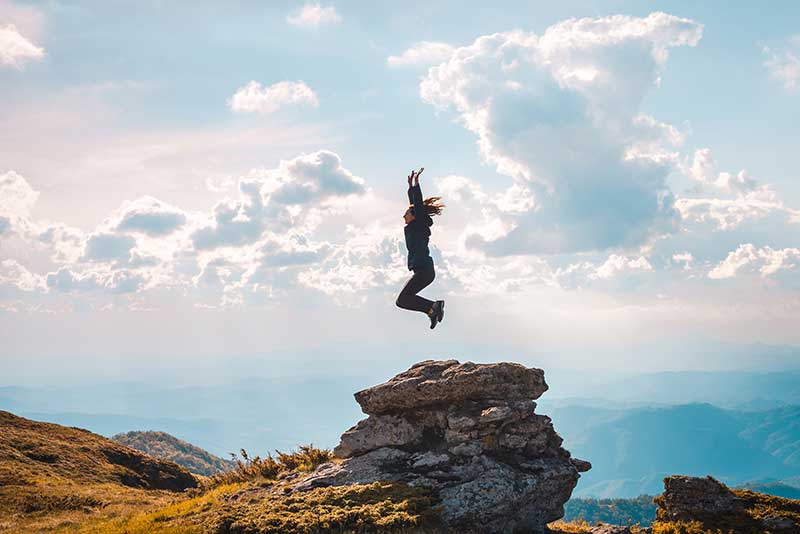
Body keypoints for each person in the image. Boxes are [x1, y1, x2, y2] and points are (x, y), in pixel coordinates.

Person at [396, 167, 445, 329]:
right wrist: (410, 189)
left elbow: (417, 205)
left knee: (402, 300)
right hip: (423, 271)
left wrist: (415, 187)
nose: (404, 216)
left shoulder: (419, 224)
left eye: (407, 213)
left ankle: (434, 306)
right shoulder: (415, 226)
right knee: (403, 300)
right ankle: (431, 310)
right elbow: (414, 206)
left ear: (415, 216)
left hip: (425, 270)